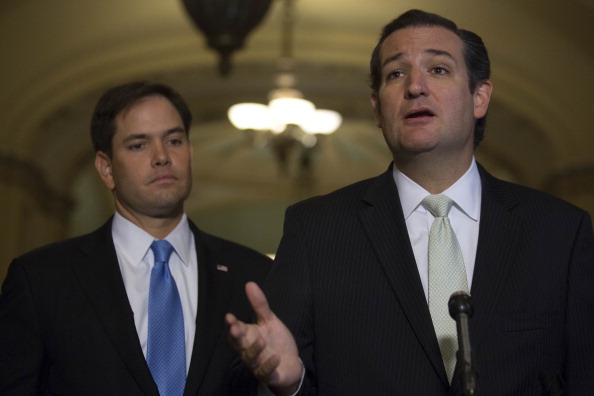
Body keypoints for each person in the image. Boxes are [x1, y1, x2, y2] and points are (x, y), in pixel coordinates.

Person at [226, 9, 594, 395]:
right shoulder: (316, 231)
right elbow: (265, 373)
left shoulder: (559, 232)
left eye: (438, 69)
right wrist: (292, 381)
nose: (415, 86)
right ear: (377, 110)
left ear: (480, 96)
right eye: (396, 74)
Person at [0, 81, 272, 395]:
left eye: (174, 140)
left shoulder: (252, 275)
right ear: (106, 168)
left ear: (190, 151)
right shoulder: (40, 279)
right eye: (138, 145)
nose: (162, 156)